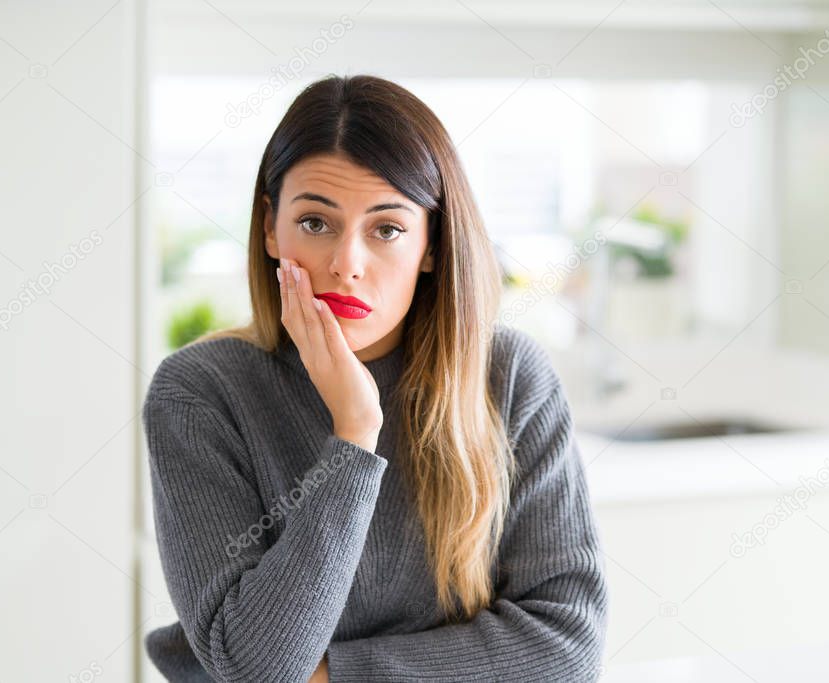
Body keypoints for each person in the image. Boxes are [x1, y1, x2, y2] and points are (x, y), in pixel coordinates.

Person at [142, 73, 608, 682]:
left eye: (387, 229)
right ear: (269, 228)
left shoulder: (512, 377)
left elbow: (566, 647)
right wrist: (355, 431)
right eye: (315, 222)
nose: (346, 265)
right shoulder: (199, 394)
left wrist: (335, 675)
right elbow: (259, 669)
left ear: (432, 246)